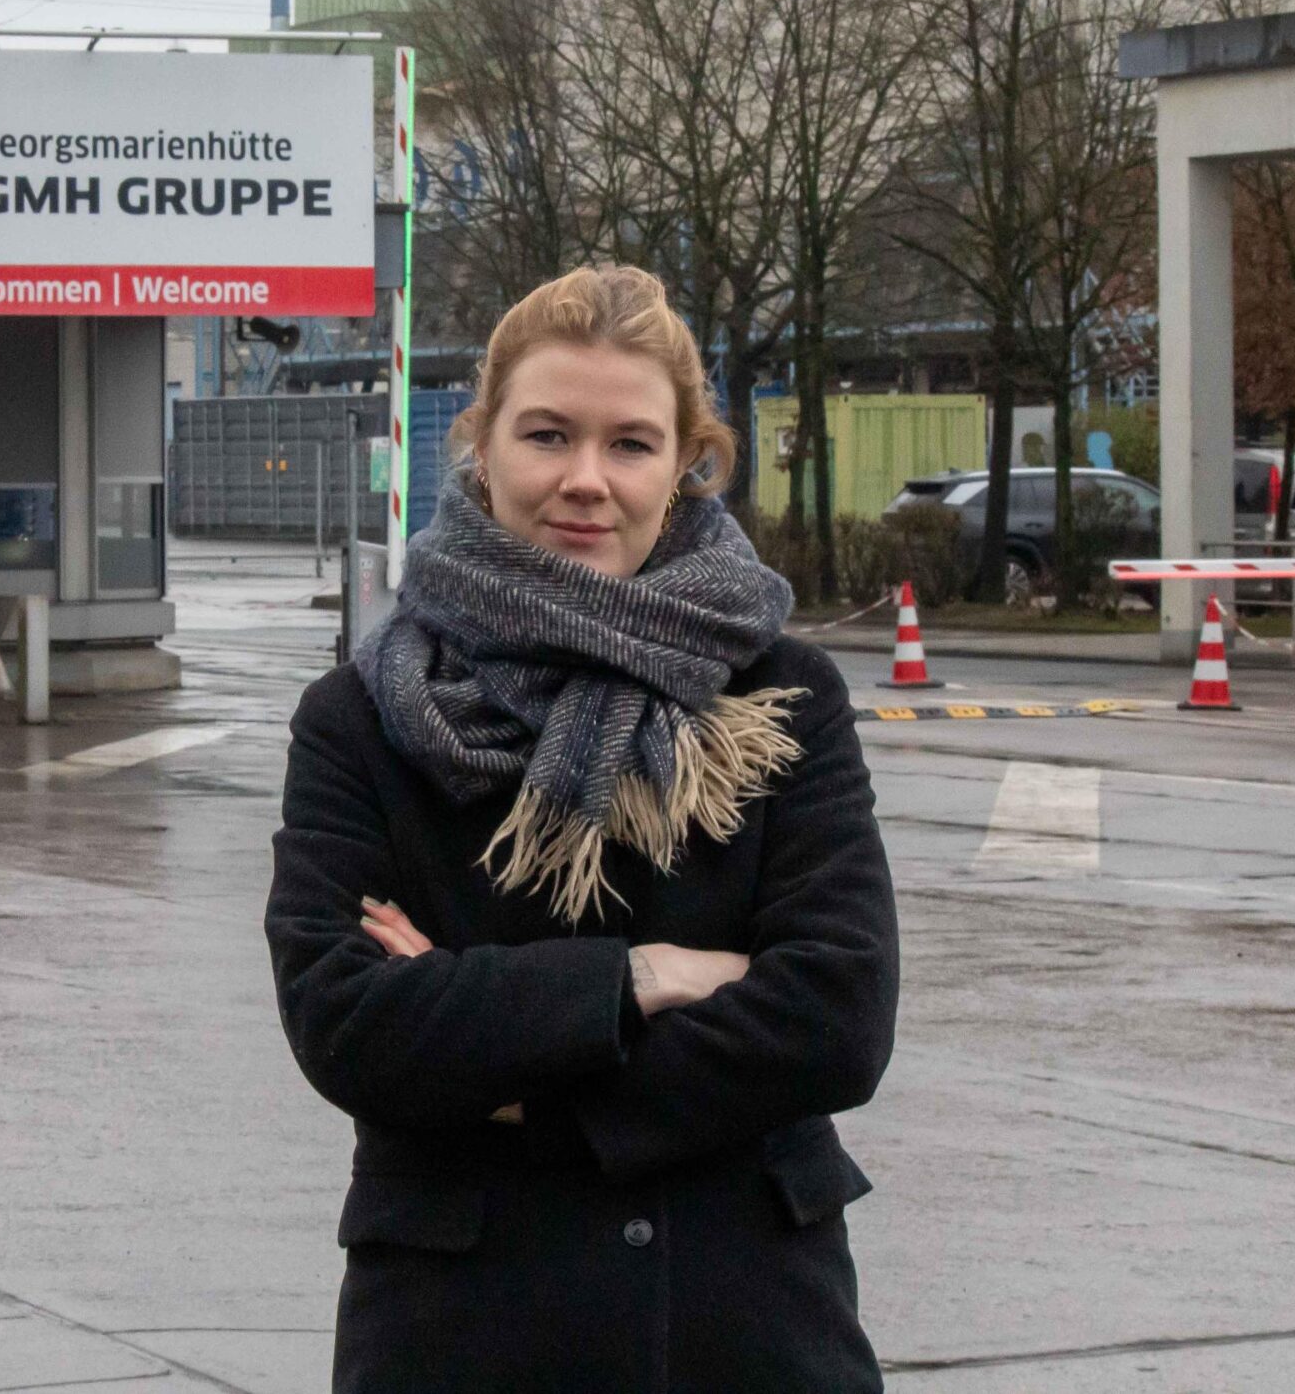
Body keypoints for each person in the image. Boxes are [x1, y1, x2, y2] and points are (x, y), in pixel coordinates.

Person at [266, 265, 899, 1391]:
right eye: (548, 435)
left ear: (684, 462)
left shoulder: (783, 693)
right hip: (461, 1336)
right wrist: (643, 975)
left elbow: (835, 1016)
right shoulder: (362, 717)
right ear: (482, 445)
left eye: (630, 444)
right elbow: (348, 1022)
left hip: (745, 1328)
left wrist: (515, 1082)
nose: (585, 482)